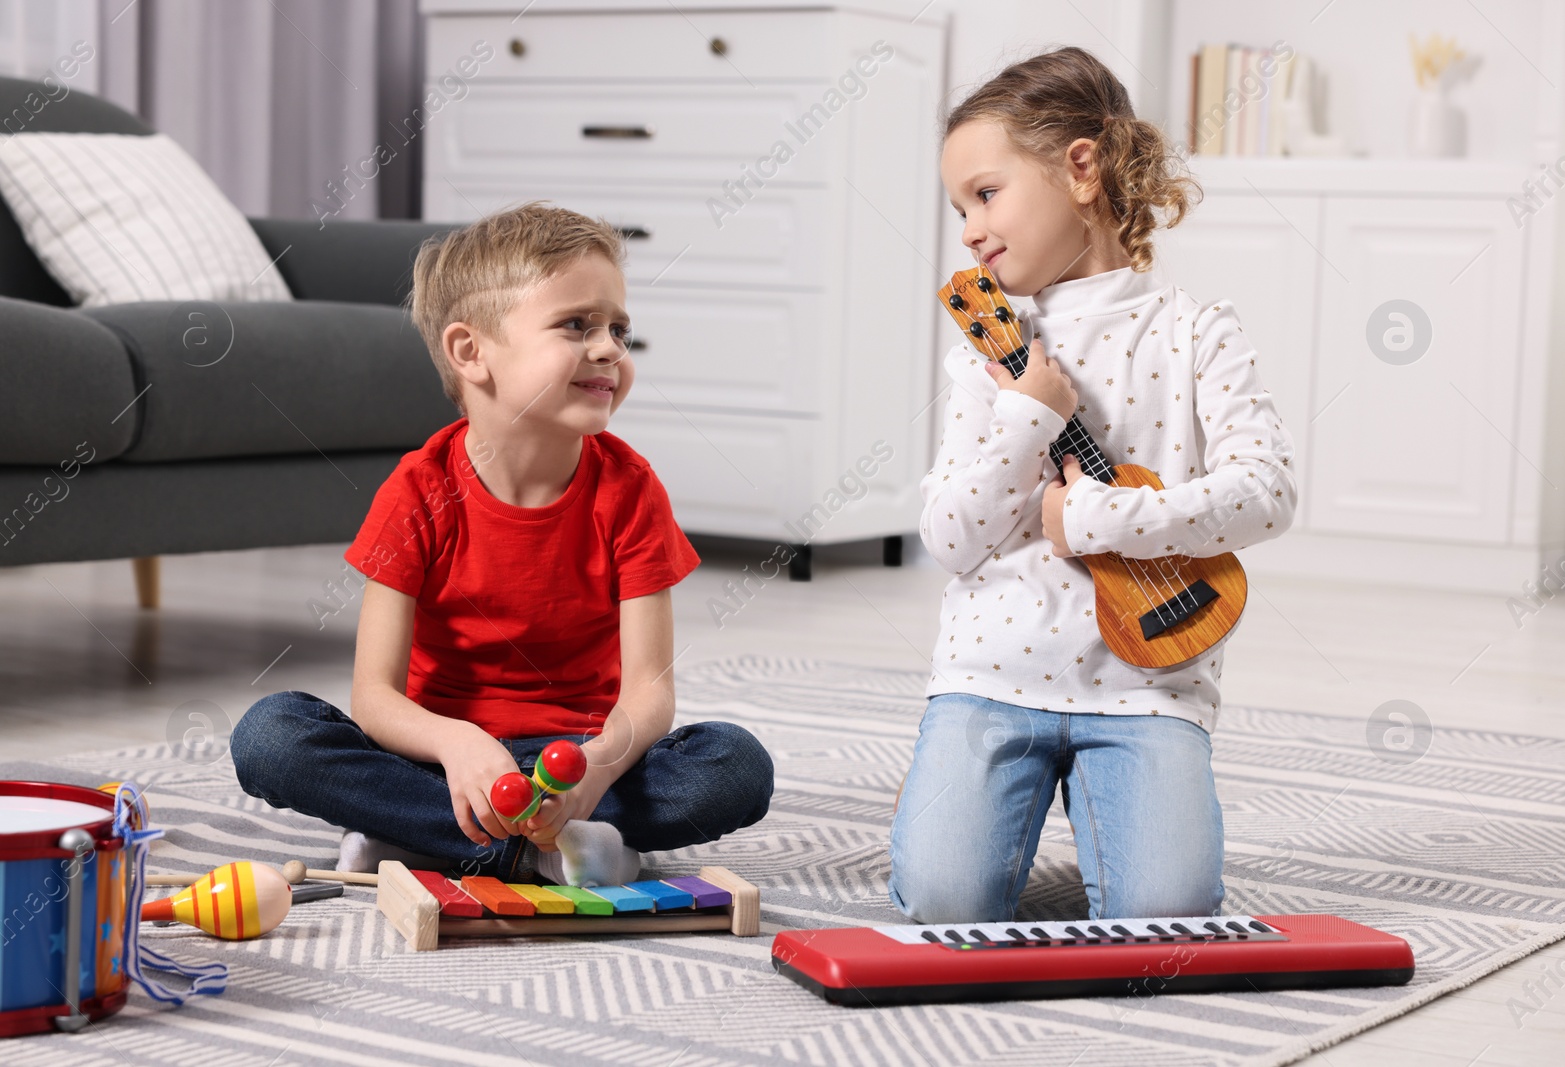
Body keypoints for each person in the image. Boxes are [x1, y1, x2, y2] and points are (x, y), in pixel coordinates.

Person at [232, 201, 774, 887]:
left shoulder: (632, 489)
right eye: (576, 325)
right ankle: (547, 850)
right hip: (441, 759)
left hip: (581, 764)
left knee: (735, 763)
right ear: (471, 352)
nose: (609, 347)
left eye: (618, 329)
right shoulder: (417, 492)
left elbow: (648, 693)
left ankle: (429, 835)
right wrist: (459, 745)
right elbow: (375, 696)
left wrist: (596, 767)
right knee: (270, 736)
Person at [889, 47, 1298, 923]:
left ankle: (1121, 806)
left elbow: (1266, 491)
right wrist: (1029, 416)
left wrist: (1095, 516)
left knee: (1169, 911)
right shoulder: (987, 354)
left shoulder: (1196, 331)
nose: (967, 228)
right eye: (958, 207)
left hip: (1150, 678)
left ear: (1082, 168)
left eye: (986, 194)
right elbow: (952, 538)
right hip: (993, 677)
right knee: (942, 900)